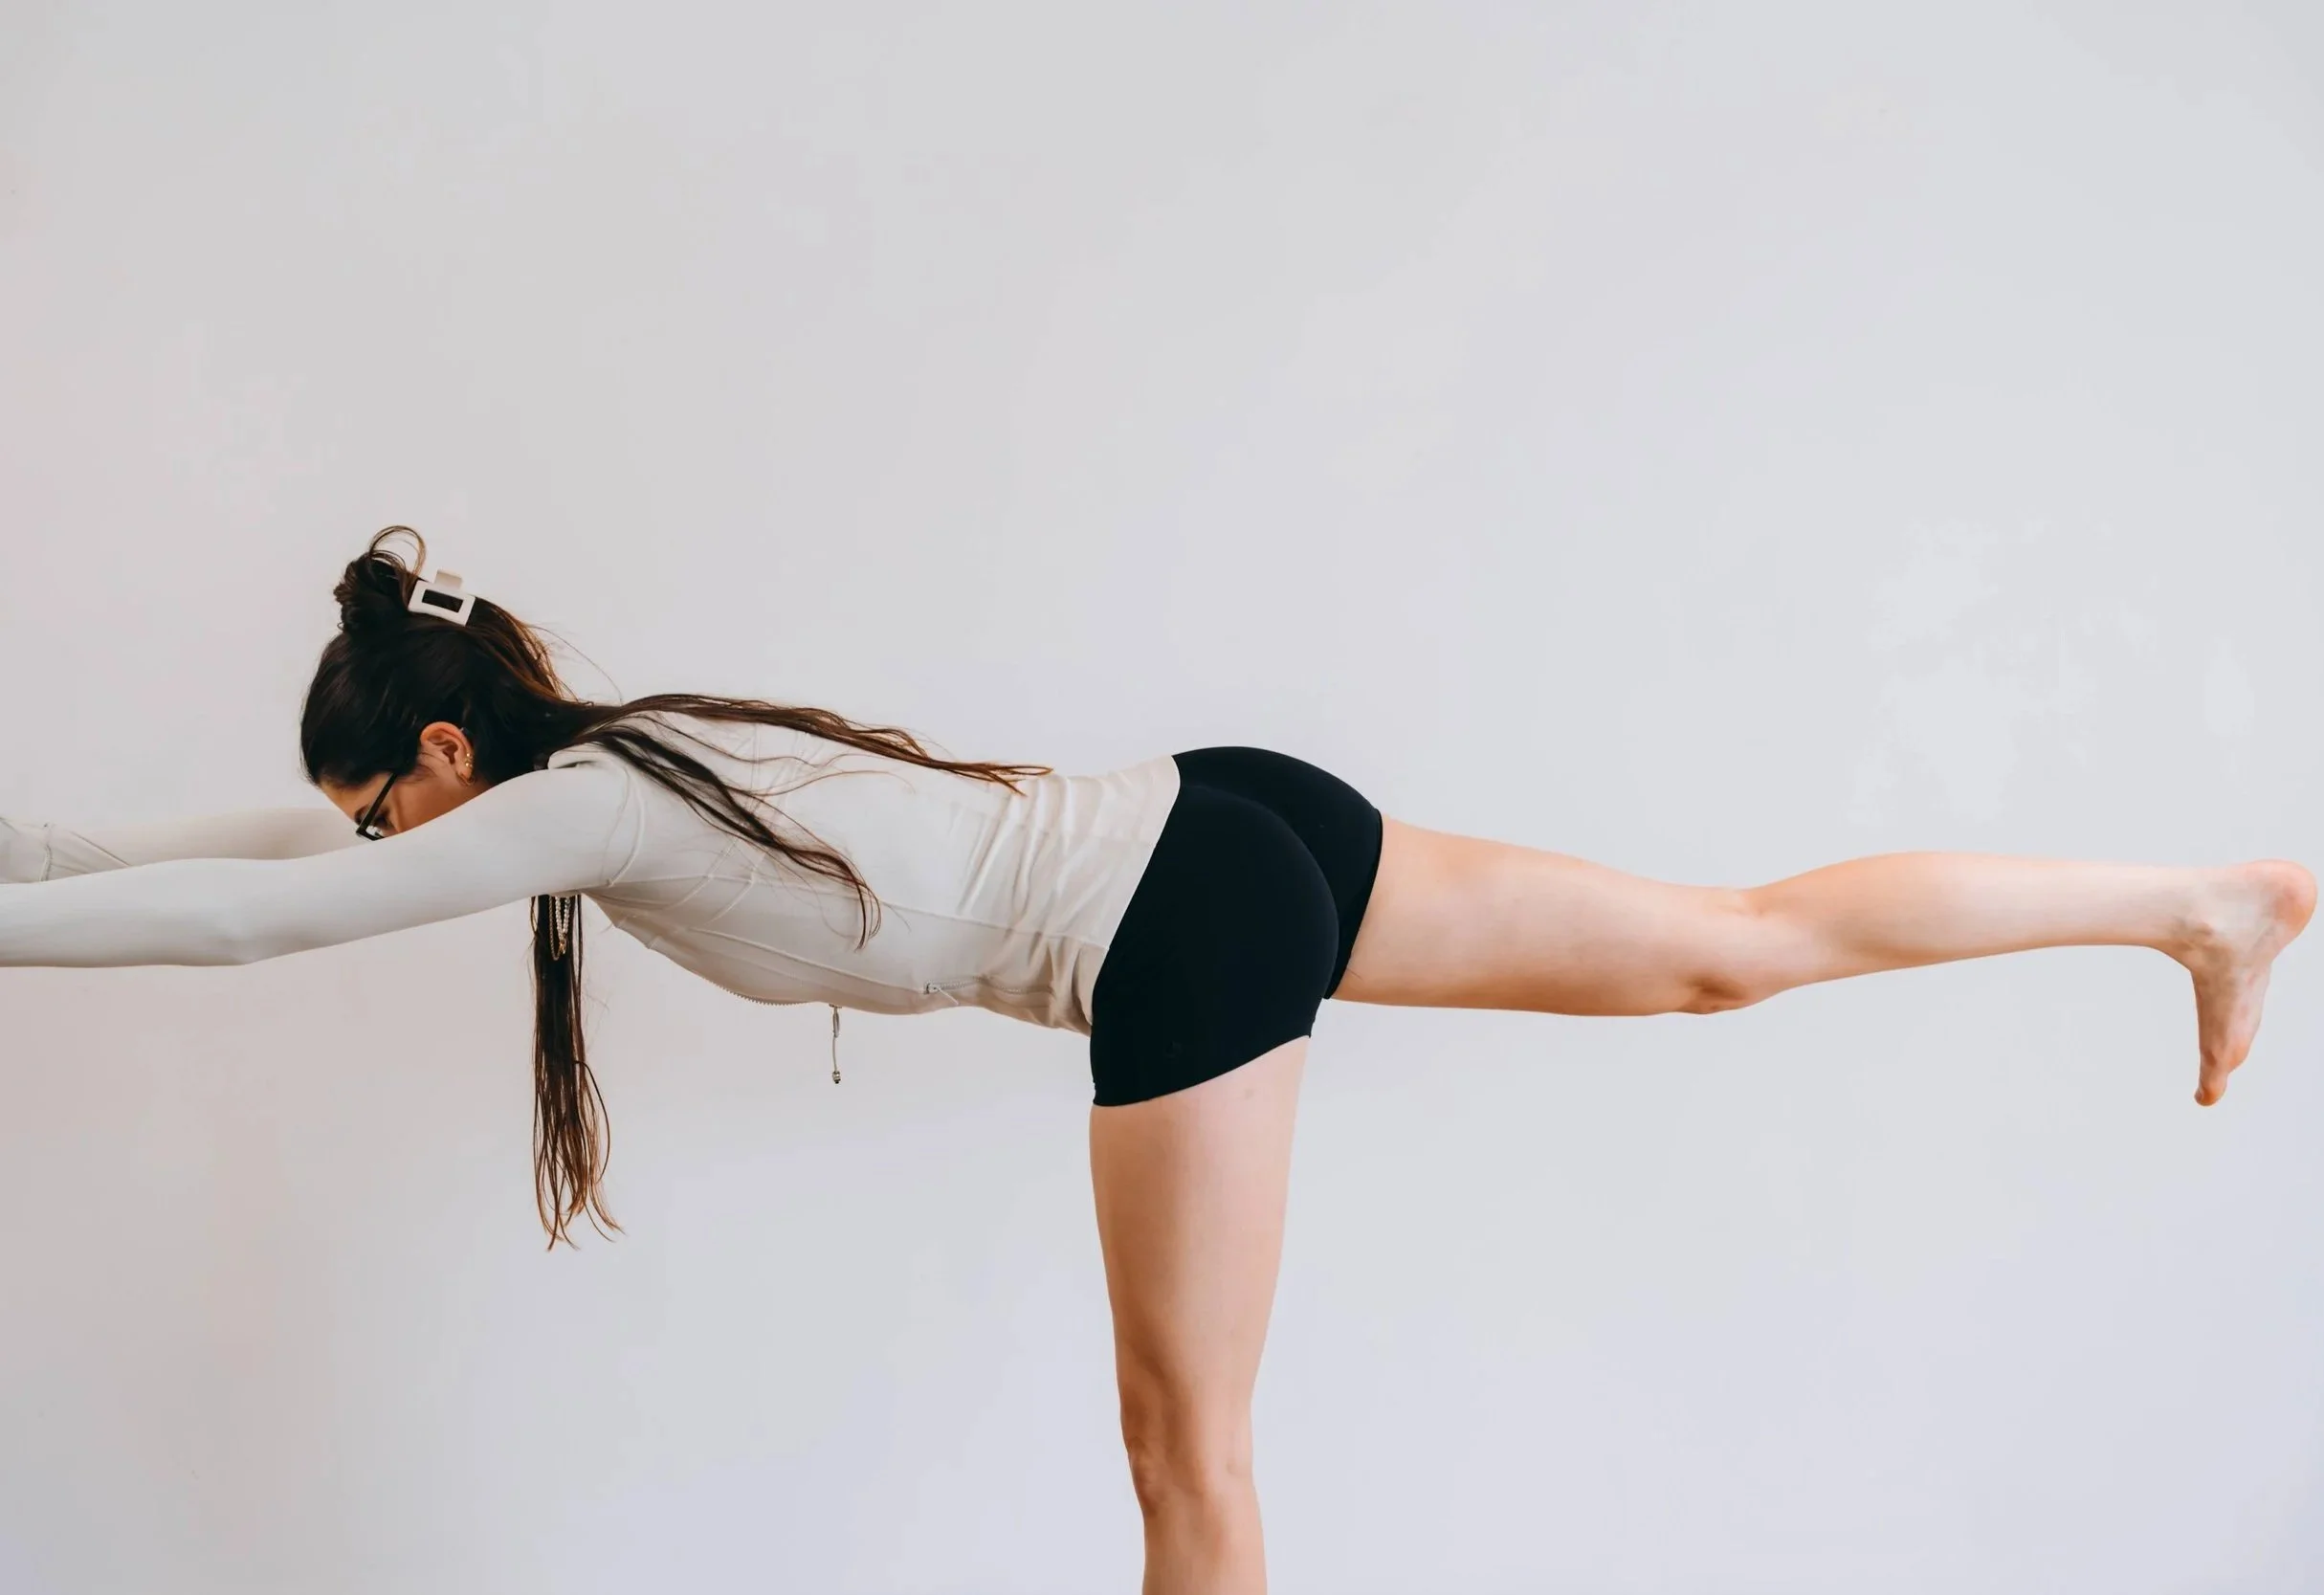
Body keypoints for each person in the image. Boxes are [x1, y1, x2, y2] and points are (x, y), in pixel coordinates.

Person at [1, 524, 2311, 1595]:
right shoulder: (626, 756)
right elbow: (193, 858)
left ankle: (2193, 909)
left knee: (1182, 1451)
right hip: (1226, 811)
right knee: (1733, 945)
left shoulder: (580, 805)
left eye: (382, 816)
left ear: (440, 755)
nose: (375, 858)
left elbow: (244, 919)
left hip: (1174, 925)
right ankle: (2195, 902)